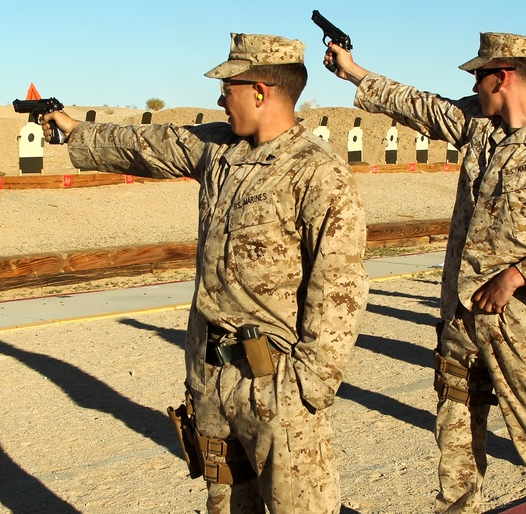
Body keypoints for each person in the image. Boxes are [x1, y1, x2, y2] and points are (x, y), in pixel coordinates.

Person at [43, 33, 369, 513]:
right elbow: (147, 143)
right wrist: (74, 129)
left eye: (228, 86)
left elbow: (339, 283)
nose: (220, 97)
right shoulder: (220, 149)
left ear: (260, 91)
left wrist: (308, 386)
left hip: (275, 383)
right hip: (212, 377)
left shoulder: (318, 172)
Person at [324, 32, 526, 514]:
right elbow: (419, 105)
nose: (473, 85)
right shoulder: (478, 125)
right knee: (455, 453)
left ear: (504, 76)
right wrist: (354, 72)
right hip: (460, 322)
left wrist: (516, 277)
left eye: (479, 75)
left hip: (524, 327)